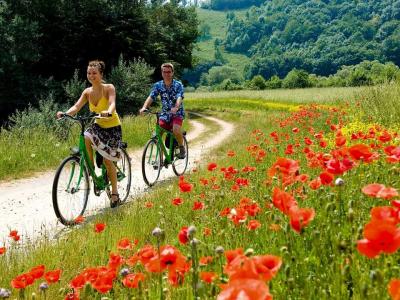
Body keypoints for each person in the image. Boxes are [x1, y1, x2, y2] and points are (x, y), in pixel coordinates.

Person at [56, 60, 122, 207]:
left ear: (101, 74)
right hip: (98, 125)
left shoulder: (108, 88)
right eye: (89, 73)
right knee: (86, 135)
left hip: (112, 127)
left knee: (107, 160)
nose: (91, 76)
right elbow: (76, 106)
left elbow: (112, 103)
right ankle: (90, 168)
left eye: (94, 73)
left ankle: (115, 193)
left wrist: (108, 112)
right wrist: (65, 114)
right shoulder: (87, 92)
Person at [139, 62, 186, 159]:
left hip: (177, 113)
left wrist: (176, 107)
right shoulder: (158, 85)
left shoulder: (178, 85)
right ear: (162, 73)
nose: (166, 74)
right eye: (164, 72)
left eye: (169, 72)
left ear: (172, 73)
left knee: (176, 130)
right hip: (165, 114)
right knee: (157, 134)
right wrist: (144, 107)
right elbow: (151, 96)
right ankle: (160, 158)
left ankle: (181, 147)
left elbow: (179, 97)